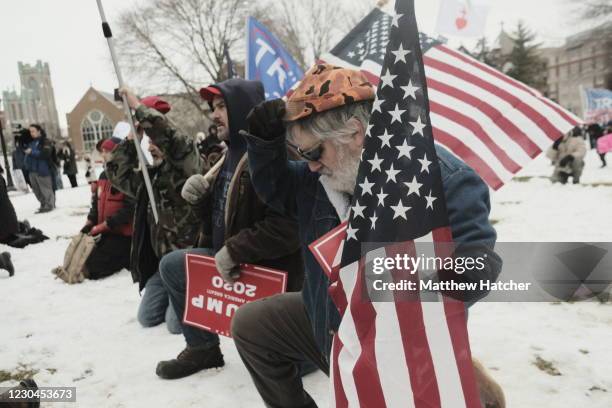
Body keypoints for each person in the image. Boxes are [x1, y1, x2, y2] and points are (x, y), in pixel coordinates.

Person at [236, 64, 504, 407]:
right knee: (254, 324)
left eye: (313, 153)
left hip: (397, 346)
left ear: (355, 133)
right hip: (330, 321)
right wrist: (264, 143)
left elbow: (473, 260)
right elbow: (277, 190)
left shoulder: (440, 179)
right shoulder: (322, 177)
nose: (311, 165)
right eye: (302, 156)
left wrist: (457, 271)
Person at [154, 78, 304, 380]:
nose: (214, 114)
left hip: (270, 273)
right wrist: (201, 201)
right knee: (172, 266)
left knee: (288, 363)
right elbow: (220, 221)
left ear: (242, 107)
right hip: (232, 262)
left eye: (222, 106)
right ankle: (203, 349)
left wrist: (235, 250)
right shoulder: (224, 156)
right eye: (212, 107)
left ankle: (301, 350)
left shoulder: (278, 154)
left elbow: (289, 226)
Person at [106, 93, 201, 336]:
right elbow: (118, 176)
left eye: (154, 140)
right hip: (162, 265)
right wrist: (131, 139)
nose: (151, 145)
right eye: (147, 141)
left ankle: (194, 297)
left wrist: (139, 108)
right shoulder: (151, 178)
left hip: (188, 263)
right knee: (146, 317)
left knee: (175, 325)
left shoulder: (185, 166)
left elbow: (173, 140)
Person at [81, 137, 135, 280]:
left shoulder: (128, 176)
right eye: (102, 151)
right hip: (106, 233)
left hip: (124, 236)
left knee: (92, 268)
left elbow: (130, 209)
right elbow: (96, 203)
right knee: (82, 259)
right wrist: (89, 222)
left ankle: (128, 258)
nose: (103, 154)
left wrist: (104, 226)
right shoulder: (103, 176)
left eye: (107, 151)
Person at [24, 124, 55, 212]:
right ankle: (43, 204)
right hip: (32, 171)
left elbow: (45, 154)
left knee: (45, 189)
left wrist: (31, 152)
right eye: (30, 131)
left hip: (42, 169)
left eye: (33, 131)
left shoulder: (45, 141)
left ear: (39, 131)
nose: (31, 133)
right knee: (37, 190)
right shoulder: (31, 143)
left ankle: (49, 205)